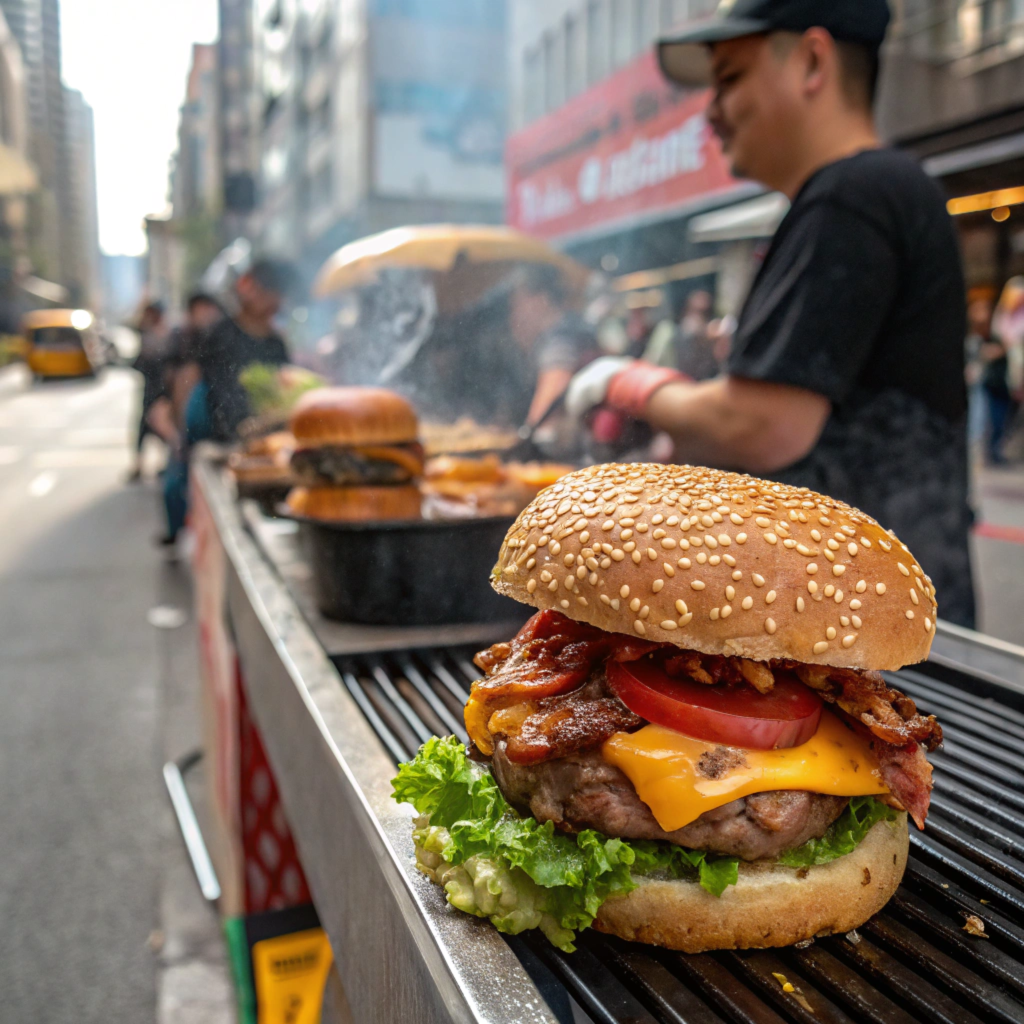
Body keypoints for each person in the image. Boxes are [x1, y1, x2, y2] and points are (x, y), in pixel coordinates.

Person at [565, 0, 976, 626]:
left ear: (812, 61)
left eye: (729, 79)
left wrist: (625, 383)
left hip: (861, 622)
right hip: (872, 606)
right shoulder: (871, 190)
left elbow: (762, 424)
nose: (710, 111)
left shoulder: (852, 193)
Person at [181, 259, 292, 443]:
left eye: (259, 289)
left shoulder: (276, 344)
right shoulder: (219, 335)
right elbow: (191, 379)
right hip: (221, 443)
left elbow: (283, 388)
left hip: (269, 440)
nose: (247, 292)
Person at [146, 292, 224, 546]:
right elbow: (167, 384)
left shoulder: (222, 339)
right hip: (182, 426)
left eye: (208, 309)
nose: (205, 315)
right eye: (199, 310)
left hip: (212, 429)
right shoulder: (180, 340)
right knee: (174, 484)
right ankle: (175, 529)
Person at [507, 264, 600, 429]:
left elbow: (548, 406)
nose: (514, 312)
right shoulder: (572, 325)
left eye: (518, 302)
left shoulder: (560, 337)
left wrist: (527, 437)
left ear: (541, 299)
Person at [128, 301, 168, 481]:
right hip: (149, 387)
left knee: (161, 426)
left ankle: (164, 463)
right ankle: (139, 465)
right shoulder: (146, 332)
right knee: (143, 427)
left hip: (162, 389)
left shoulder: (163, 334)